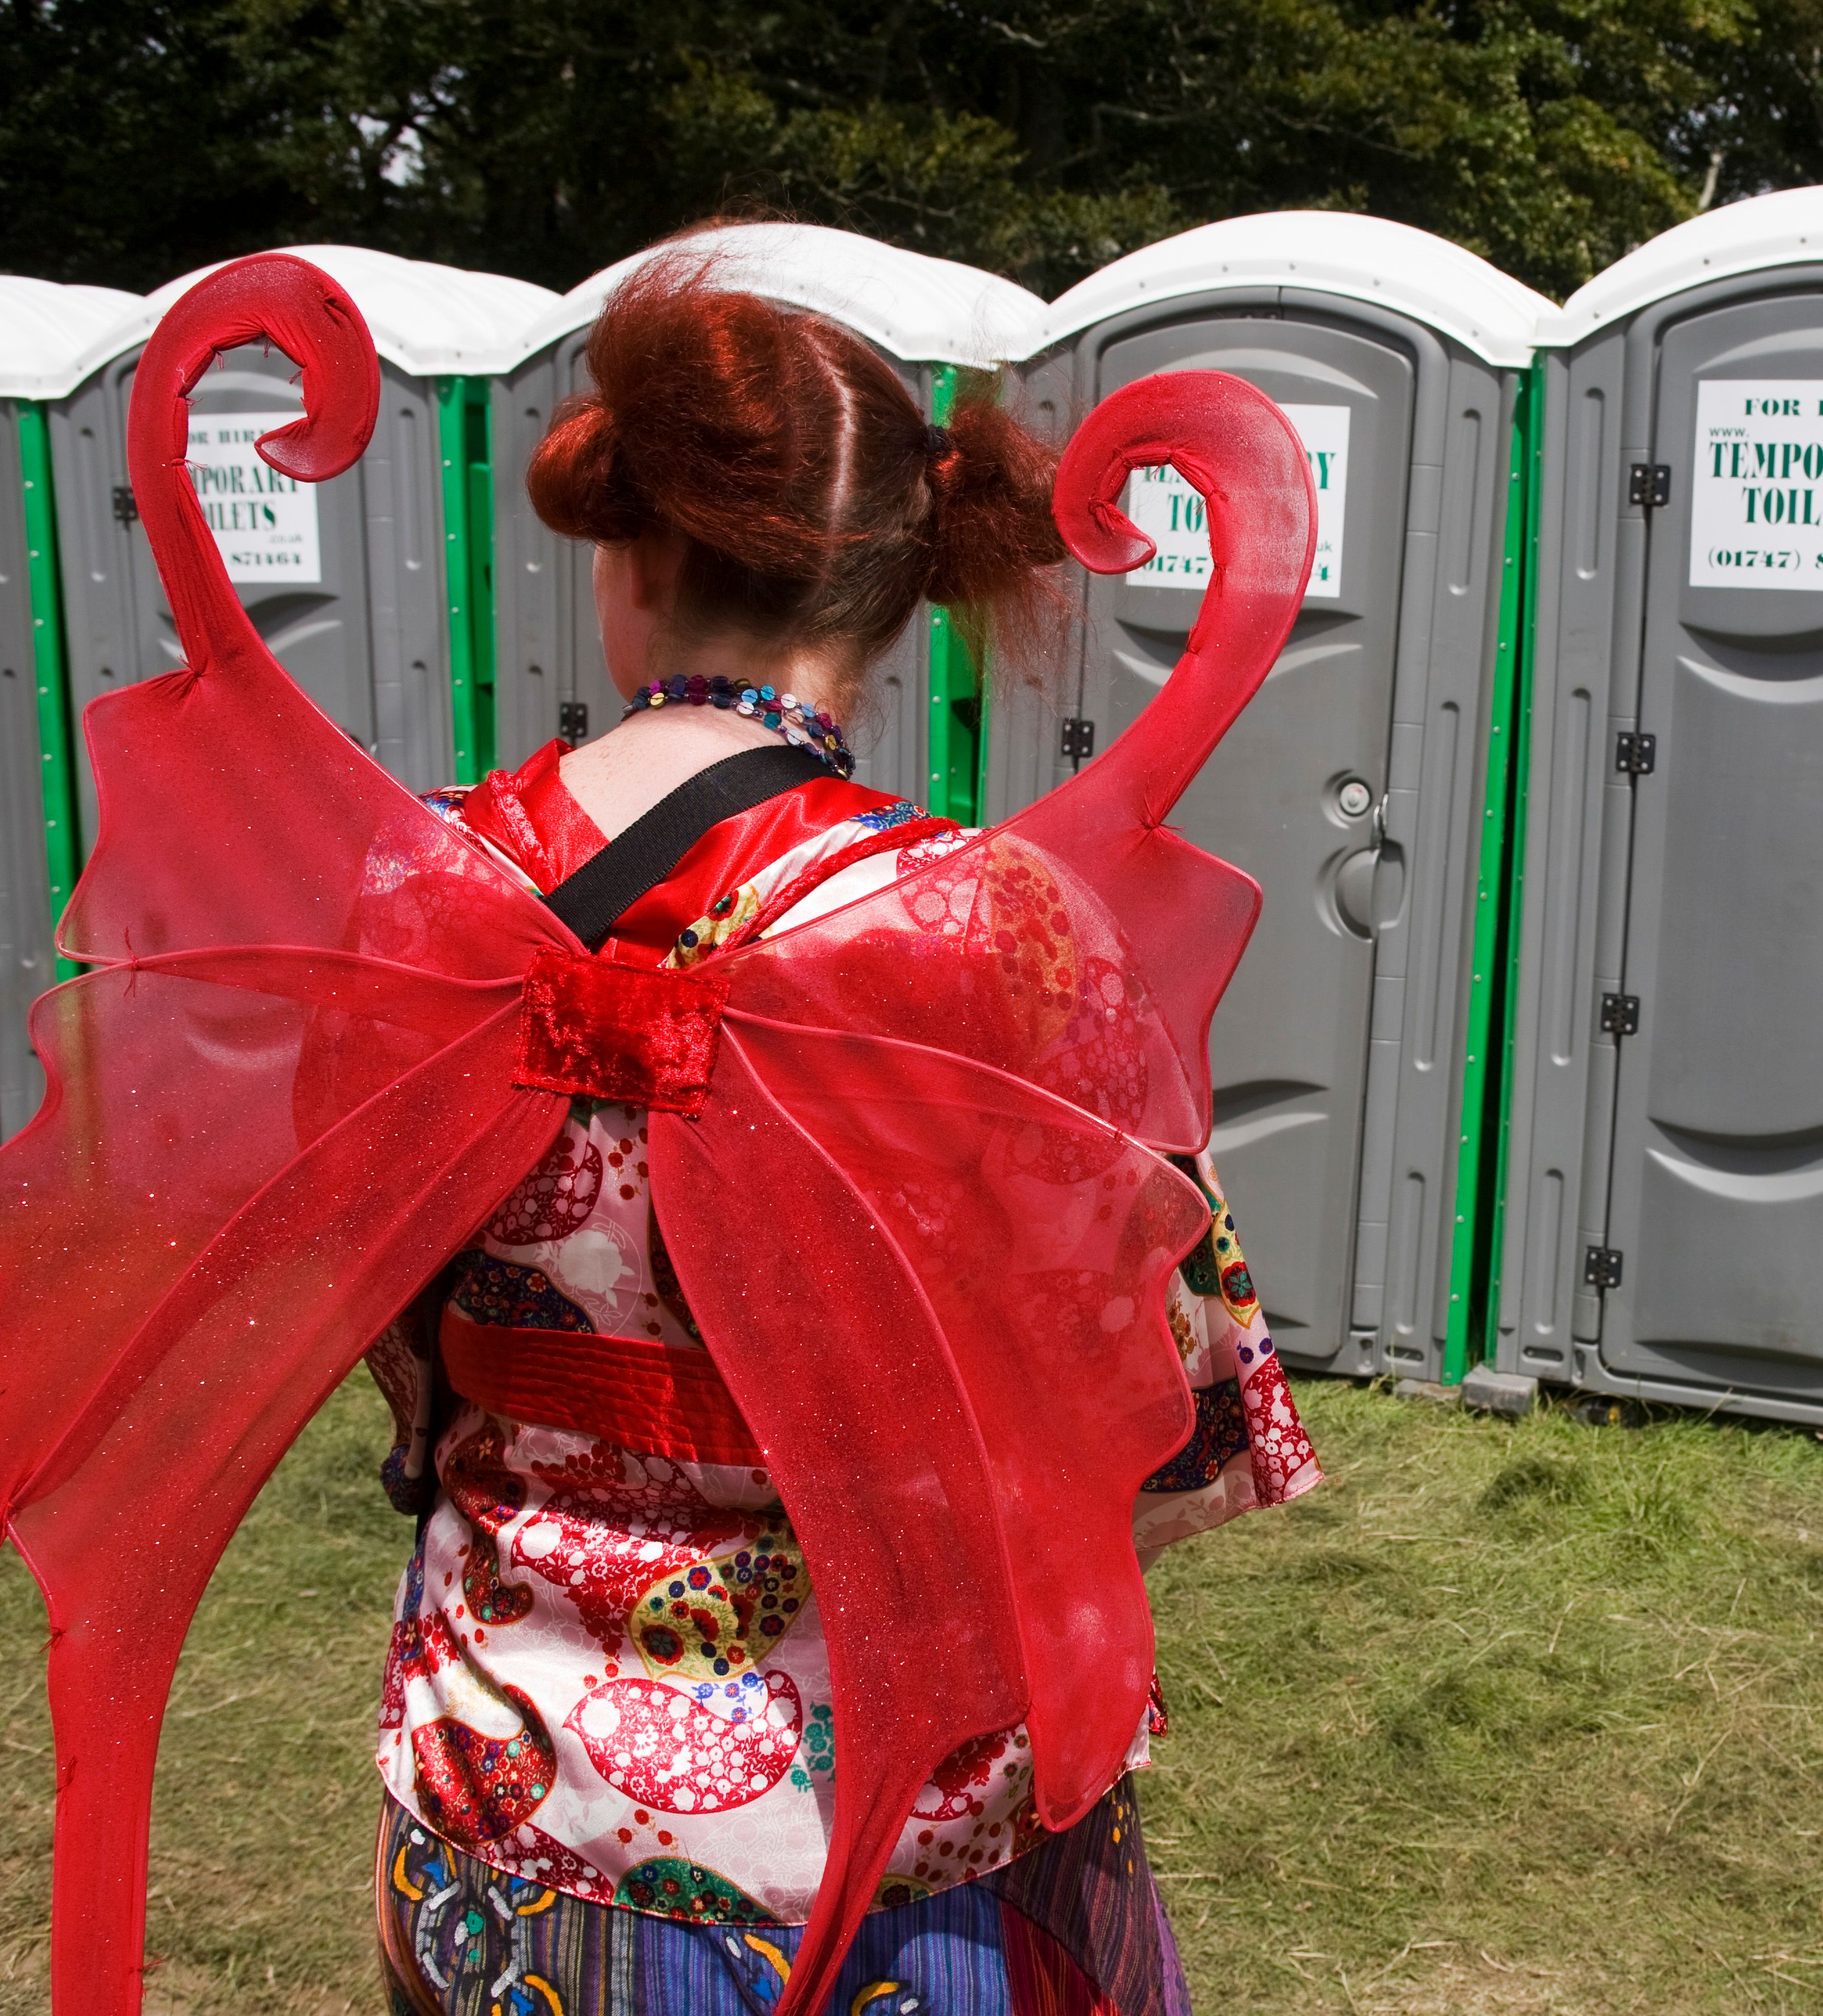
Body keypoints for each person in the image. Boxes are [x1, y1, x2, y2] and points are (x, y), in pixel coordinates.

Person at [347, 251, 1323, 2014]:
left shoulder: (428, 888)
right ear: (893, 598)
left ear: (634, 560)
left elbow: (378, 1316)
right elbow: (1176, 1414)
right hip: (898, 1833)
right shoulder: (984, 930)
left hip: (508, 1796)